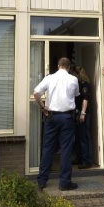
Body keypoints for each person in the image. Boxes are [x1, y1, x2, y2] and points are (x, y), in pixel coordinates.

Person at [33, 57, 80, 191]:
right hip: (67, 117)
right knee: (66, 150)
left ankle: (42, 180)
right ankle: (64, 183)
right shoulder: (73, 79)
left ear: (58, 65)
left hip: (52, 117)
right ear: (69, 67)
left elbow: (36, 93)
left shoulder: (50, 78)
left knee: (48, 148)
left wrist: (43, 107)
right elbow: (76, 94)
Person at [71, 65, 93, 169]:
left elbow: (85, 99)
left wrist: (83, 113)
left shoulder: (85, 85)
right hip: (77, 112)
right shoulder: (78, 85)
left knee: (84, 137)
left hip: (83, 113)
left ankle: (86, 161)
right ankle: (79, 158)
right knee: (78, 137)